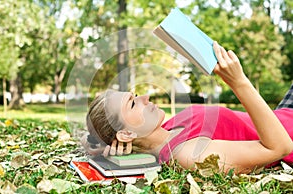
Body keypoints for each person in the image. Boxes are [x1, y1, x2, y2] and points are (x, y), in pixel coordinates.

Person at [84, 41, 293, 174]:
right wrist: (238, 82)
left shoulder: (167, 129)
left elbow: (94, 136)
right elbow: (280, 148)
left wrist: (96, 144)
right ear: (127, 133)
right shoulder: (189, 155)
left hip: (284, 114)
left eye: (136, 95)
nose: (145, 97)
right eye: (132, 103)